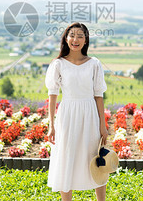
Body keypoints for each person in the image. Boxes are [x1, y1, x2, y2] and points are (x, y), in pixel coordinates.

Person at [45, 22, 109, 201]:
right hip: (67, 116)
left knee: (96, 159)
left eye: (80, 36)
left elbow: (98, 96)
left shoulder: (94, 64)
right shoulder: (58, 64)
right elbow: (52, 94)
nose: (76, 39)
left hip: (90, 116)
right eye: (72, 35)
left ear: (86, 40)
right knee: (67, 157)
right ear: (66, 38)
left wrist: (102, 126)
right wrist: (51, 125)